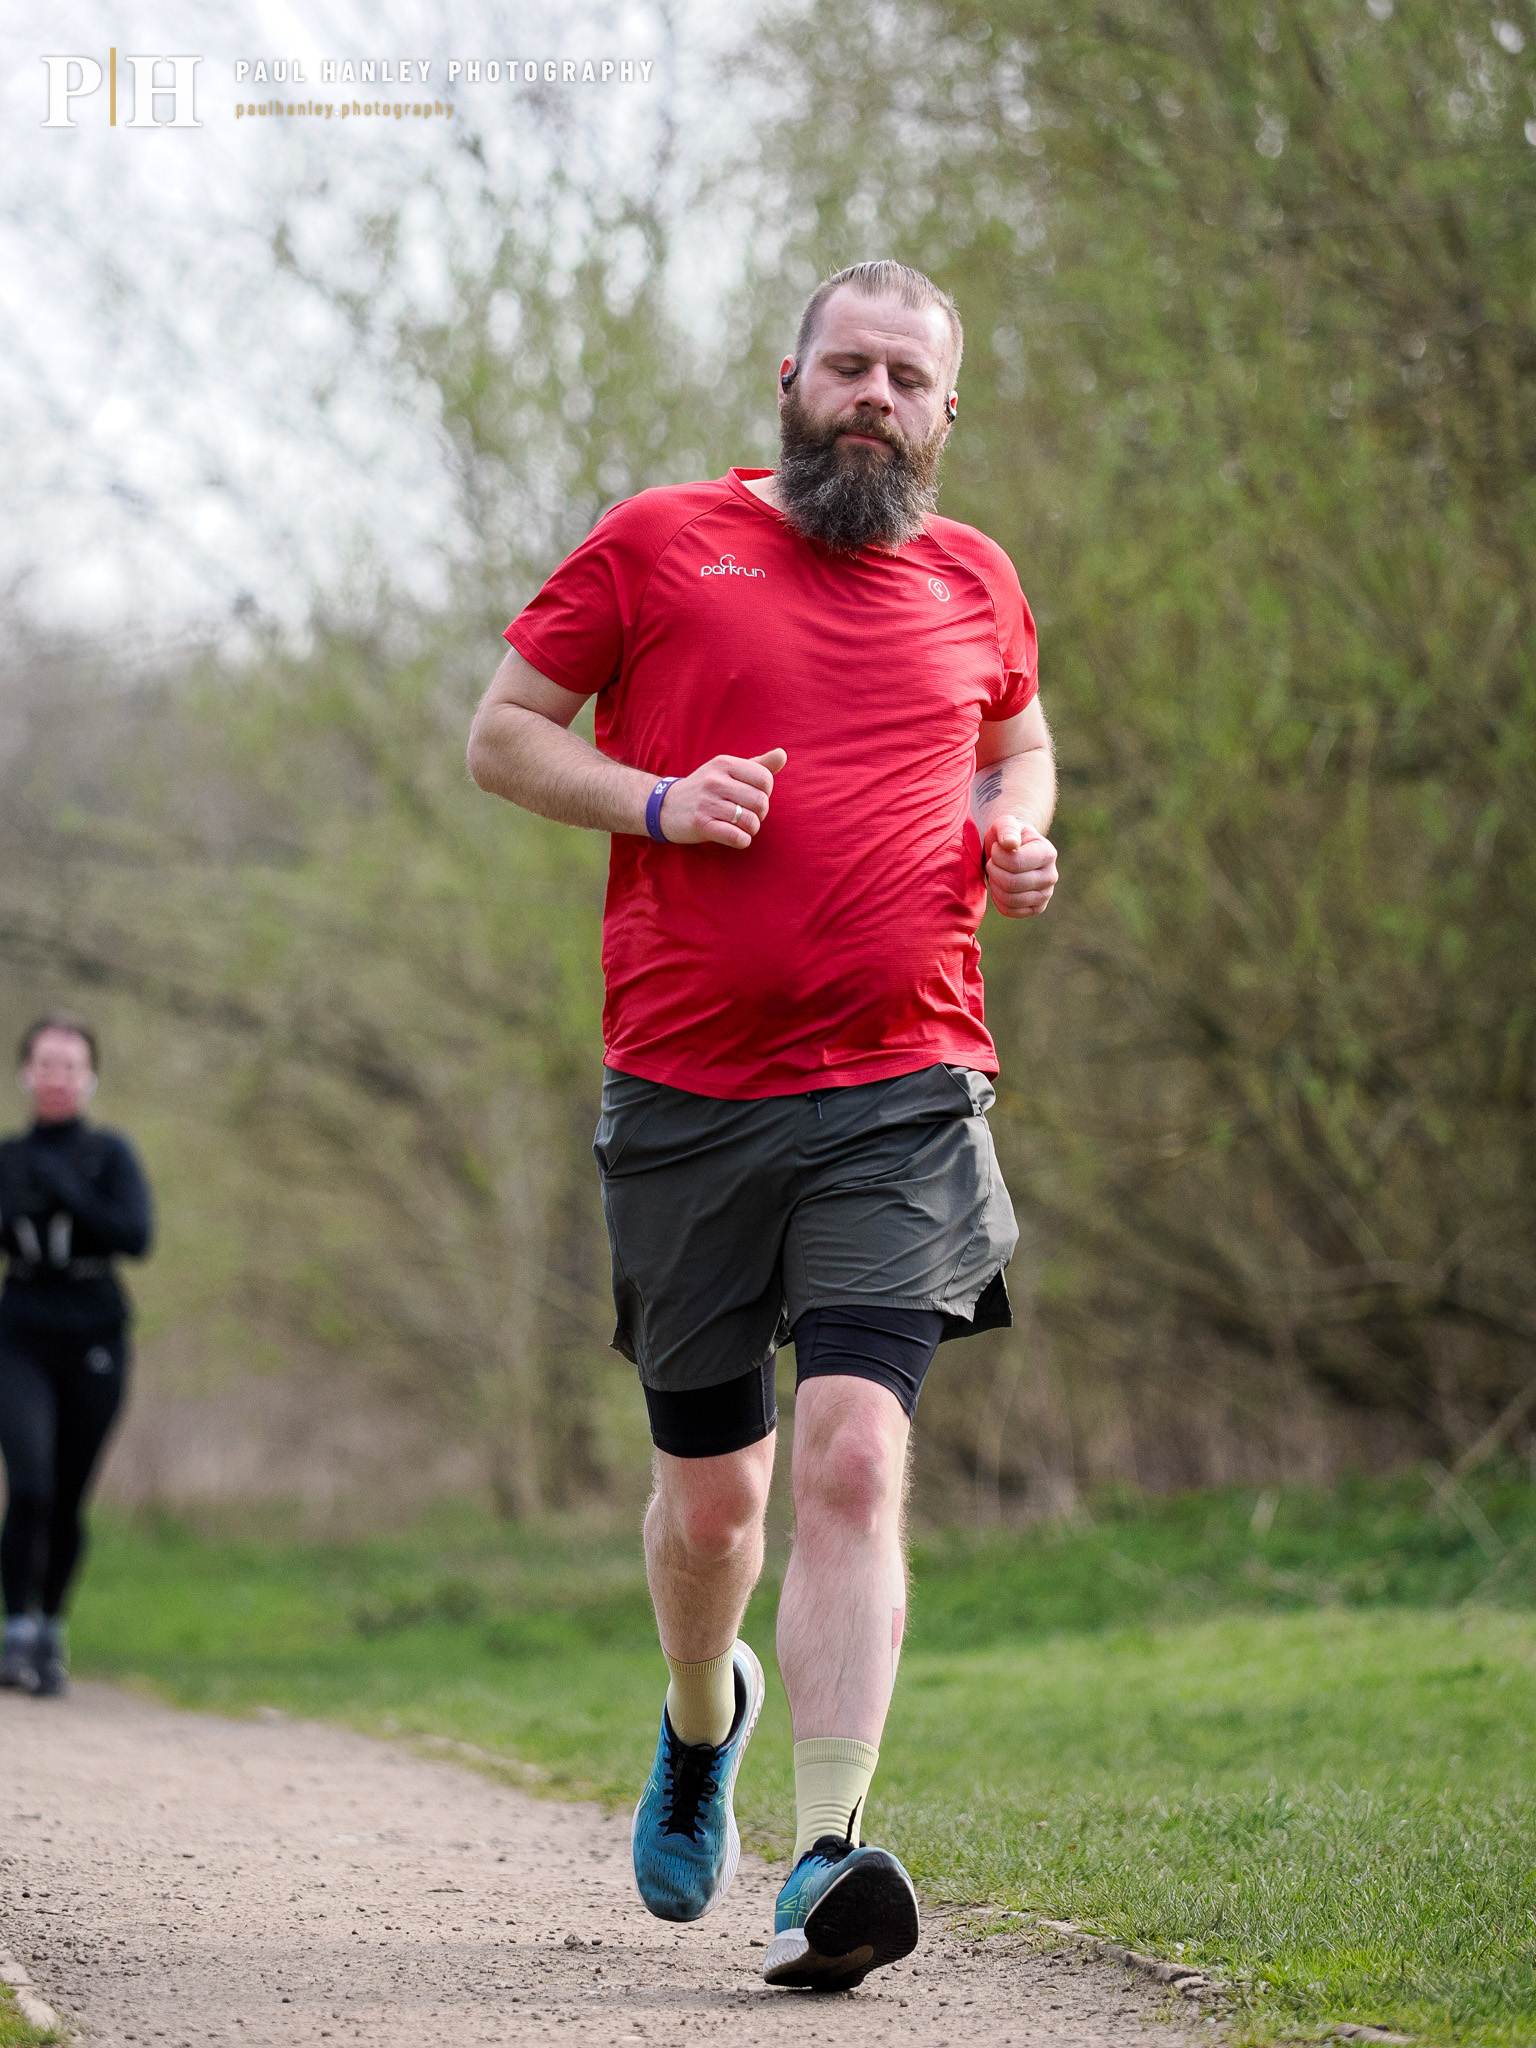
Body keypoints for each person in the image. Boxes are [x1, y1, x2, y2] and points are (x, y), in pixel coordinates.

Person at [467, 259, 1057, 1990]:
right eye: (847, 365)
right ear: (787, 380)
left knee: (859, 1454)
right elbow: (501, 735)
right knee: (714, 1506)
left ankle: (825, 1849)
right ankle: (697, 1711)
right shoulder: (657, 542)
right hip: (687, 1099)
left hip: (906, 1083)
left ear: (948, 412)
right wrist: (654, 795)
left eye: (908, 375)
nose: (874, 393)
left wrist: (1016, 834)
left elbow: (1018, 748)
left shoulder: (975, 577)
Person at [0, 1015, 153, 1697]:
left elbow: (136, 1236)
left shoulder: (109, 1154)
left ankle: (53, 1627)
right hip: (21, 1330)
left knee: (66, 1496)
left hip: (94, 1333)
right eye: (45, 1063)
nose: (56, 1076)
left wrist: (69, 1192)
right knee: (28, 1483)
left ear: (89, 1077)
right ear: (25, 1072)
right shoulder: (7, 1157)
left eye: (69, 1065)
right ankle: (15, 1630)